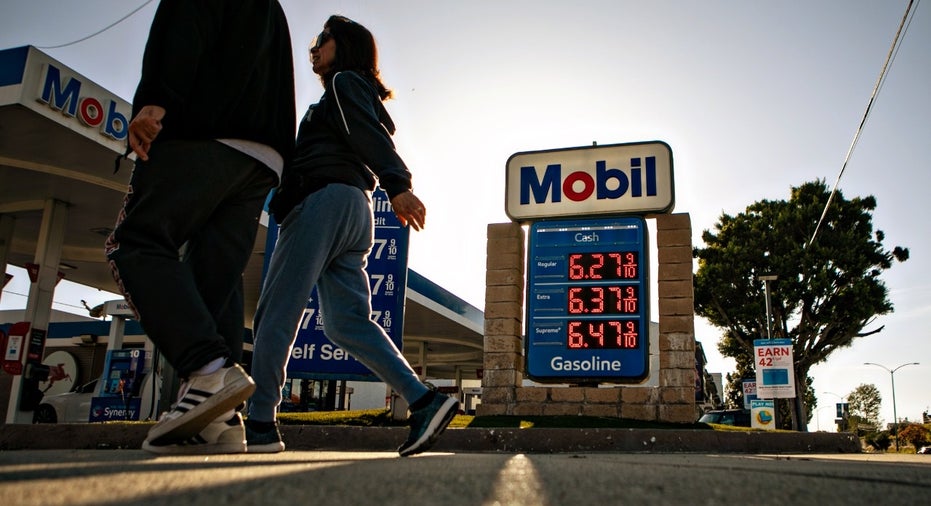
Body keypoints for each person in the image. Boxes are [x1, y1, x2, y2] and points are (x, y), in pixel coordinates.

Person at [246, 15, 458, 457]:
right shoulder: (350, 90)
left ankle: (260, 425)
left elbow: (364, 133)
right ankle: (423, 401)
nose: (315, 46)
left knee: (276, 313)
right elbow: (364, 131)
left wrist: (397, 184)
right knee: (346, 323)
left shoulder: (344, 83)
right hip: (353, 209)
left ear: (345, 46)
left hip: (322, 201)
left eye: (323, 39)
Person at [104, 0, 296, 454]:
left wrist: (155, 101)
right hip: (263, 157)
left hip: (202, 136)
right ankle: (221, 421)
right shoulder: (272, 8)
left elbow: (183, 28)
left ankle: (209, 371)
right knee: (217, 279)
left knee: (136, 243)